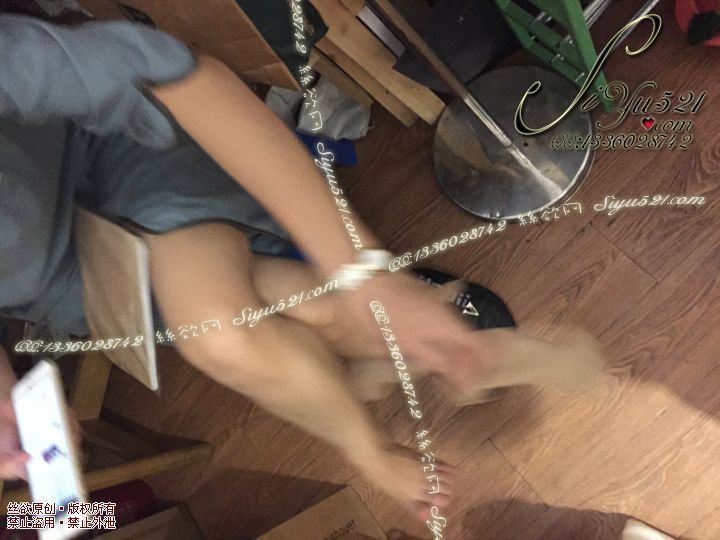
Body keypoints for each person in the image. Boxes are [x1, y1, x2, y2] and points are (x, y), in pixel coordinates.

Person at [0, 13, 606, 519]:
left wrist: (363, 271)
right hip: (60, 278)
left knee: (223, 332)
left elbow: (178, 79)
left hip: (111, 143)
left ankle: (377, 401)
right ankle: (409, 349)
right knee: (258, 316)